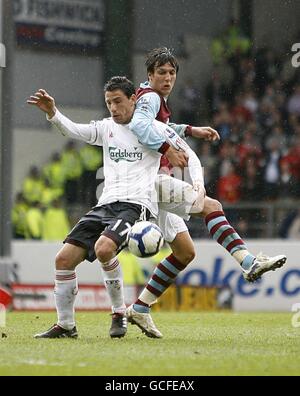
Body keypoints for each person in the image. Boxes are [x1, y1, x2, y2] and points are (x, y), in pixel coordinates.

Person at [125, 48, 287, 338]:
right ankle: (248, 263)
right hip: (151, 181)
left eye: (172, 73)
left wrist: (190, 130)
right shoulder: (150, 97)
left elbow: (158, 127)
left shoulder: (151, 99)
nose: (168, 78)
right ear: (150, 75)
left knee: (185, 253)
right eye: (161, 72)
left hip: (149, 181)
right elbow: (140, 126)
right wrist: (168, 150)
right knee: (211, 204)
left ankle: (140, 308)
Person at [26, 77, 203, 339]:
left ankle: (119, 312)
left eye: (118, 101)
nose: (113, 108)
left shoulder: (152, 129)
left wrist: (198, 185)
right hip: (105, 204)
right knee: (63, 259)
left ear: (134, 99)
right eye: (108, 102)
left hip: (136, 205)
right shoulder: (106, 127)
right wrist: (53, 113)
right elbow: (74, 130)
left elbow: (190, 155)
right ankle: (66, 325)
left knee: (103, 248)